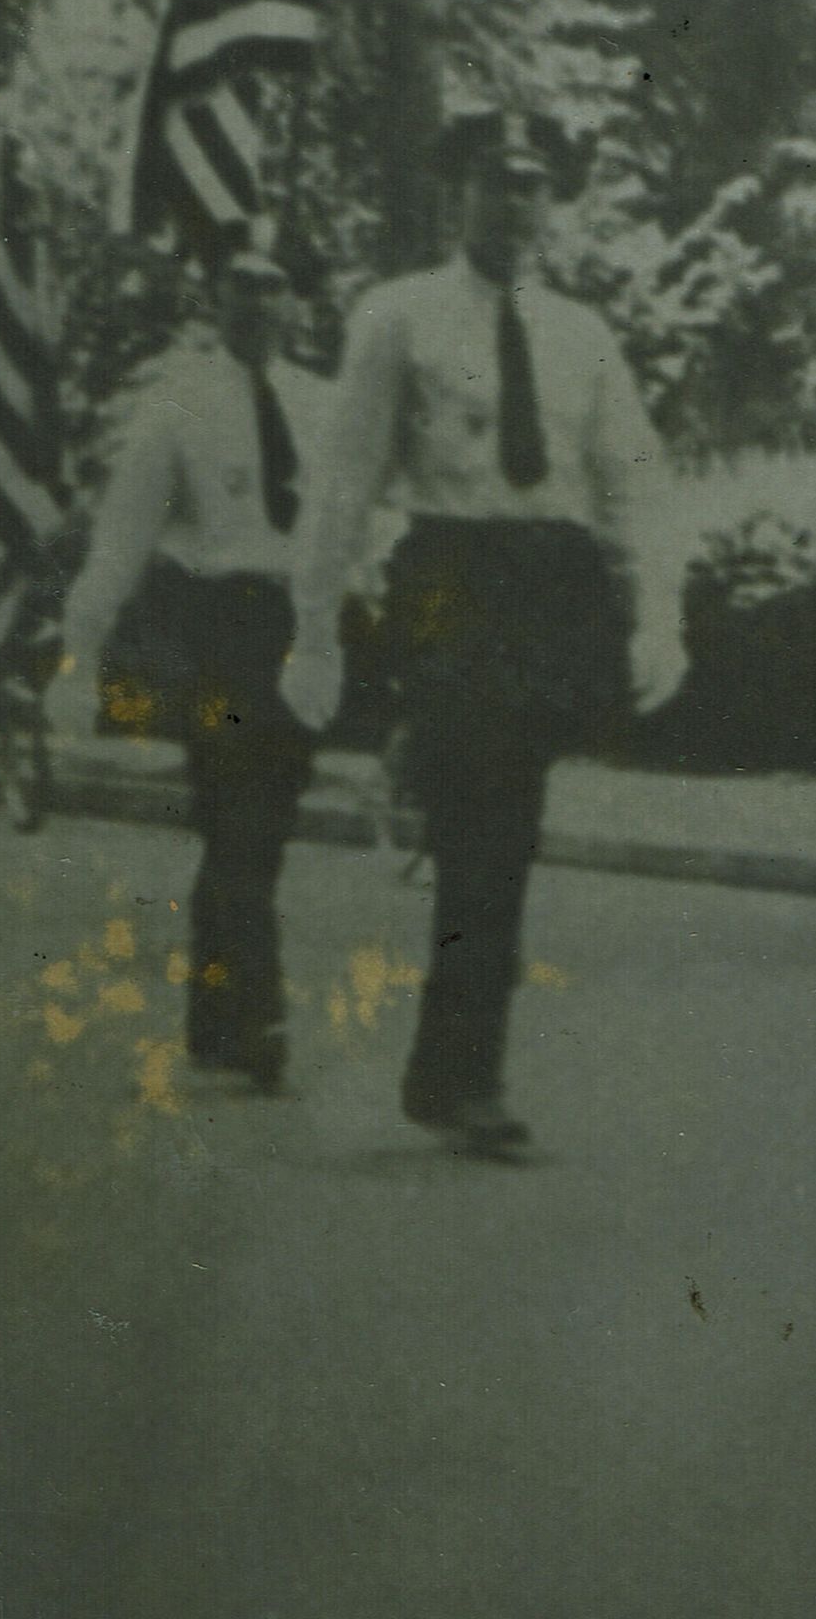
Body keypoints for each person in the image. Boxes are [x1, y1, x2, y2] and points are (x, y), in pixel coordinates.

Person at [280, 105, 689, 1158]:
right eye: (495, 182)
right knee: (480, 820)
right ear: (456, 193)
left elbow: (634, 479)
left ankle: (456, 1069)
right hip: (453, 578)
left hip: (548, 588)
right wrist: (313, 626)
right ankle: (464, 1074)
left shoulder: (581, 334)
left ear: (552, 201)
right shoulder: (400, 316)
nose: (515, 203)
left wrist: (661, 615)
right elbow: (343, 481)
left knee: (508, 824)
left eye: (532, 185)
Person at [48, 224, 326, 1093]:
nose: (257, 302)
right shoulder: (179, 401)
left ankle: (214, 1018)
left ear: (295, 304)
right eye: (241, 283)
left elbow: (351, 525)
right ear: (217, 296)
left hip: (298, 627)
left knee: (260, 829)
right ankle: (260, 1016)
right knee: (238, 817)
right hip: (220, 628)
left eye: (273, 286)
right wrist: (79, 646)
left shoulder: (321, 402)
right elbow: (122, 533)